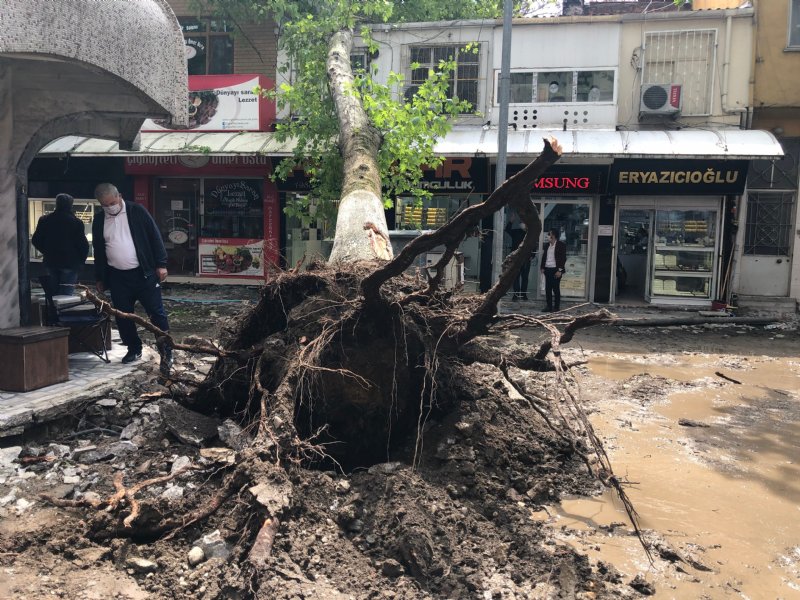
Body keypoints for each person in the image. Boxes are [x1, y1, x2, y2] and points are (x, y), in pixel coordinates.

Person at [92, 183, 172, 374]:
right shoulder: (99, 219)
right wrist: (100, 277)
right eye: (105, 205)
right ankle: (133, 348)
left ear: (119, 196)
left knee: (156, 313)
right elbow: (99, 249)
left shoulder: (137, 211)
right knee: (123, 315)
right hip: (117, 276)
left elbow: (155, 237)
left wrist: (161, 264)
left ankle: (167, 350)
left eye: (112, 202)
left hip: (143, 273)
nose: (110, 207)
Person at [32, 193, 90, 321]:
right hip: (70, 263)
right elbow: (83, 245)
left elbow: (36, 240)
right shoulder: (75, 222)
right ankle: (64, 322)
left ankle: (51, 320)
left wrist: (46, 251)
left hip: (51, 261)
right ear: (70, 205)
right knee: (65, 296)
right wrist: (81, 261)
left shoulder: (45, 220)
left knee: (51, 294)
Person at [505, 209, 531, 300]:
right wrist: (511, 221)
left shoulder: (530, 234)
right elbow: (507, 230)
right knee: (515, 276)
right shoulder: (516, 232)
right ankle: (516, 294)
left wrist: (532, 256)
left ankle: (524, 294)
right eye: (521, 222)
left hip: (526, 258)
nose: (522, 224)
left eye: (524, 223)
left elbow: (534, 244)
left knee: (525, 277)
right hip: (516, 258)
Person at [540, 228, 567, 312]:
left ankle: (556, 307)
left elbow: (563, 259)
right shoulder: (547, 245)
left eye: (549, 234)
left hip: (556, 270)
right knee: (548, 289)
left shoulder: (560, 245)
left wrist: (560, 270)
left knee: (555, 289)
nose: (548, 236)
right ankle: (549, 306)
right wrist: (542, 267)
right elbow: (544, 257)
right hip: (548, 269)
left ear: (553, 235)